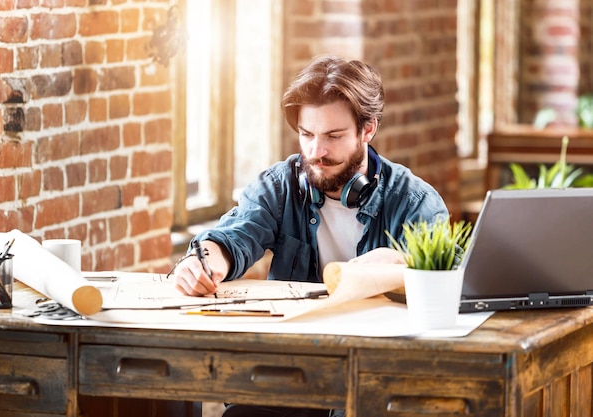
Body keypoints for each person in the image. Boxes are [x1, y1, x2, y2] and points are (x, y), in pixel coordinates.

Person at [172, 55, 449, 417]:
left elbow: (441, 290)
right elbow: (235, 235)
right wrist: (203, 261)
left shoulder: (417, 203)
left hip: (378, 373)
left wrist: (397, 265)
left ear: (368, 130)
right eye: (307, 135)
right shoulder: (279, 186)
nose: (316, 152)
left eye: (333, 137)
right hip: (295, 368)